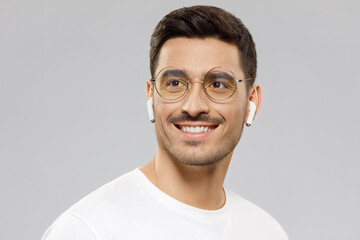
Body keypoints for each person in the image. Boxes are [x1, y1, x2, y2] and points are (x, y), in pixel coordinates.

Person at [42, 5, 288, 240]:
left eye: (218, 84)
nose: (193, 106)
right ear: (151, 95)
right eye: (175, 83)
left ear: (251, 101)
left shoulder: (267, 232)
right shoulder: (87, 230)